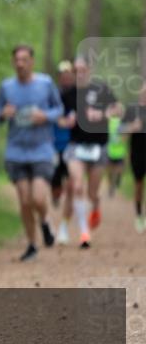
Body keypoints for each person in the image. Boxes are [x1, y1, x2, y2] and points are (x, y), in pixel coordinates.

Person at [0, 45, 63, 261]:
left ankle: (45, 221)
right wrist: (3, 113)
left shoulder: (45, 83)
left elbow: (59, 109)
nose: (20, 64)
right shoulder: (6, 87)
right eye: (17, 60)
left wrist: (45, 116)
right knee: (24, 201)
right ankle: (32, 244)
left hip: (42, 149)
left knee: (38, 198)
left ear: (32, 61)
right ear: (13, 62)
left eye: (24, 59)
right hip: (16, 151)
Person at [64, 55, 123, 249]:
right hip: (76, 146)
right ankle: (84, 231)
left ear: (90, 70)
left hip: (98, 147)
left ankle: (95, 205)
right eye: (76, 71)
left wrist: (104, 114)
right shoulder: (68, 93)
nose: (79, 74)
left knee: (92, 192)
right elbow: (59, 118)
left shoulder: (101, 89)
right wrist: (66, 122)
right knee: (77, 186)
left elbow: (118, 109)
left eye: (83, 70)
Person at [51, 60, 77, 243]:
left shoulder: (78, 95)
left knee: (72, 186)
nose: (66, 78)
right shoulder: (53, 94)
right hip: (53, 145)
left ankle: (64, 227)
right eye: (63, 75)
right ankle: (55, 197)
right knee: (56, 187)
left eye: (70, 74)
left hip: (72, 145)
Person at [120, 85, 146, 233]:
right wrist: (132, 127)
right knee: (138, 185)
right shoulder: (132, 109)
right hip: (137, 153)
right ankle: (138, 215)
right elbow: (121, 132)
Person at [107, 114, 128, 197]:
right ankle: (111, 186)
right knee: (110, 172)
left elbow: (126, 137)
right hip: (109, 151)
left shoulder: (123, 124)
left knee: (119, 170)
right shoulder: (108, 122)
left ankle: (116, 181)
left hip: (120, 152)